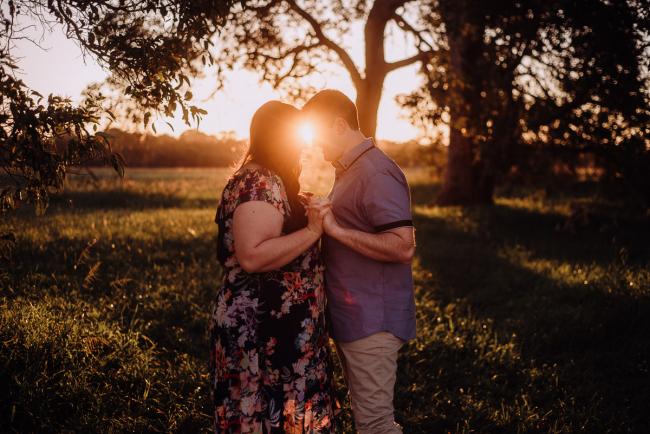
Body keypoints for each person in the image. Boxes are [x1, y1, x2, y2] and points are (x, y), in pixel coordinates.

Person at [208, 101, 338, 433]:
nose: (304, 146)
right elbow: (252, 256)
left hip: (289, 337)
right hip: (262, 335)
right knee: (266, 423)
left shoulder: (276, 180)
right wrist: (311, 231)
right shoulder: (258, 181)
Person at [302, 90, 417, 434]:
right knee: (366, 419)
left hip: (373, 321)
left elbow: (402, 246)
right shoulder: (351, 169)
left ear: (339, 125)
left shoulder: (377, 171)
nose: (315, 145)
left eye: (318, 134)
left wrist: (333, 228)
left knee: (376, 425)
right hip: (355, 318)